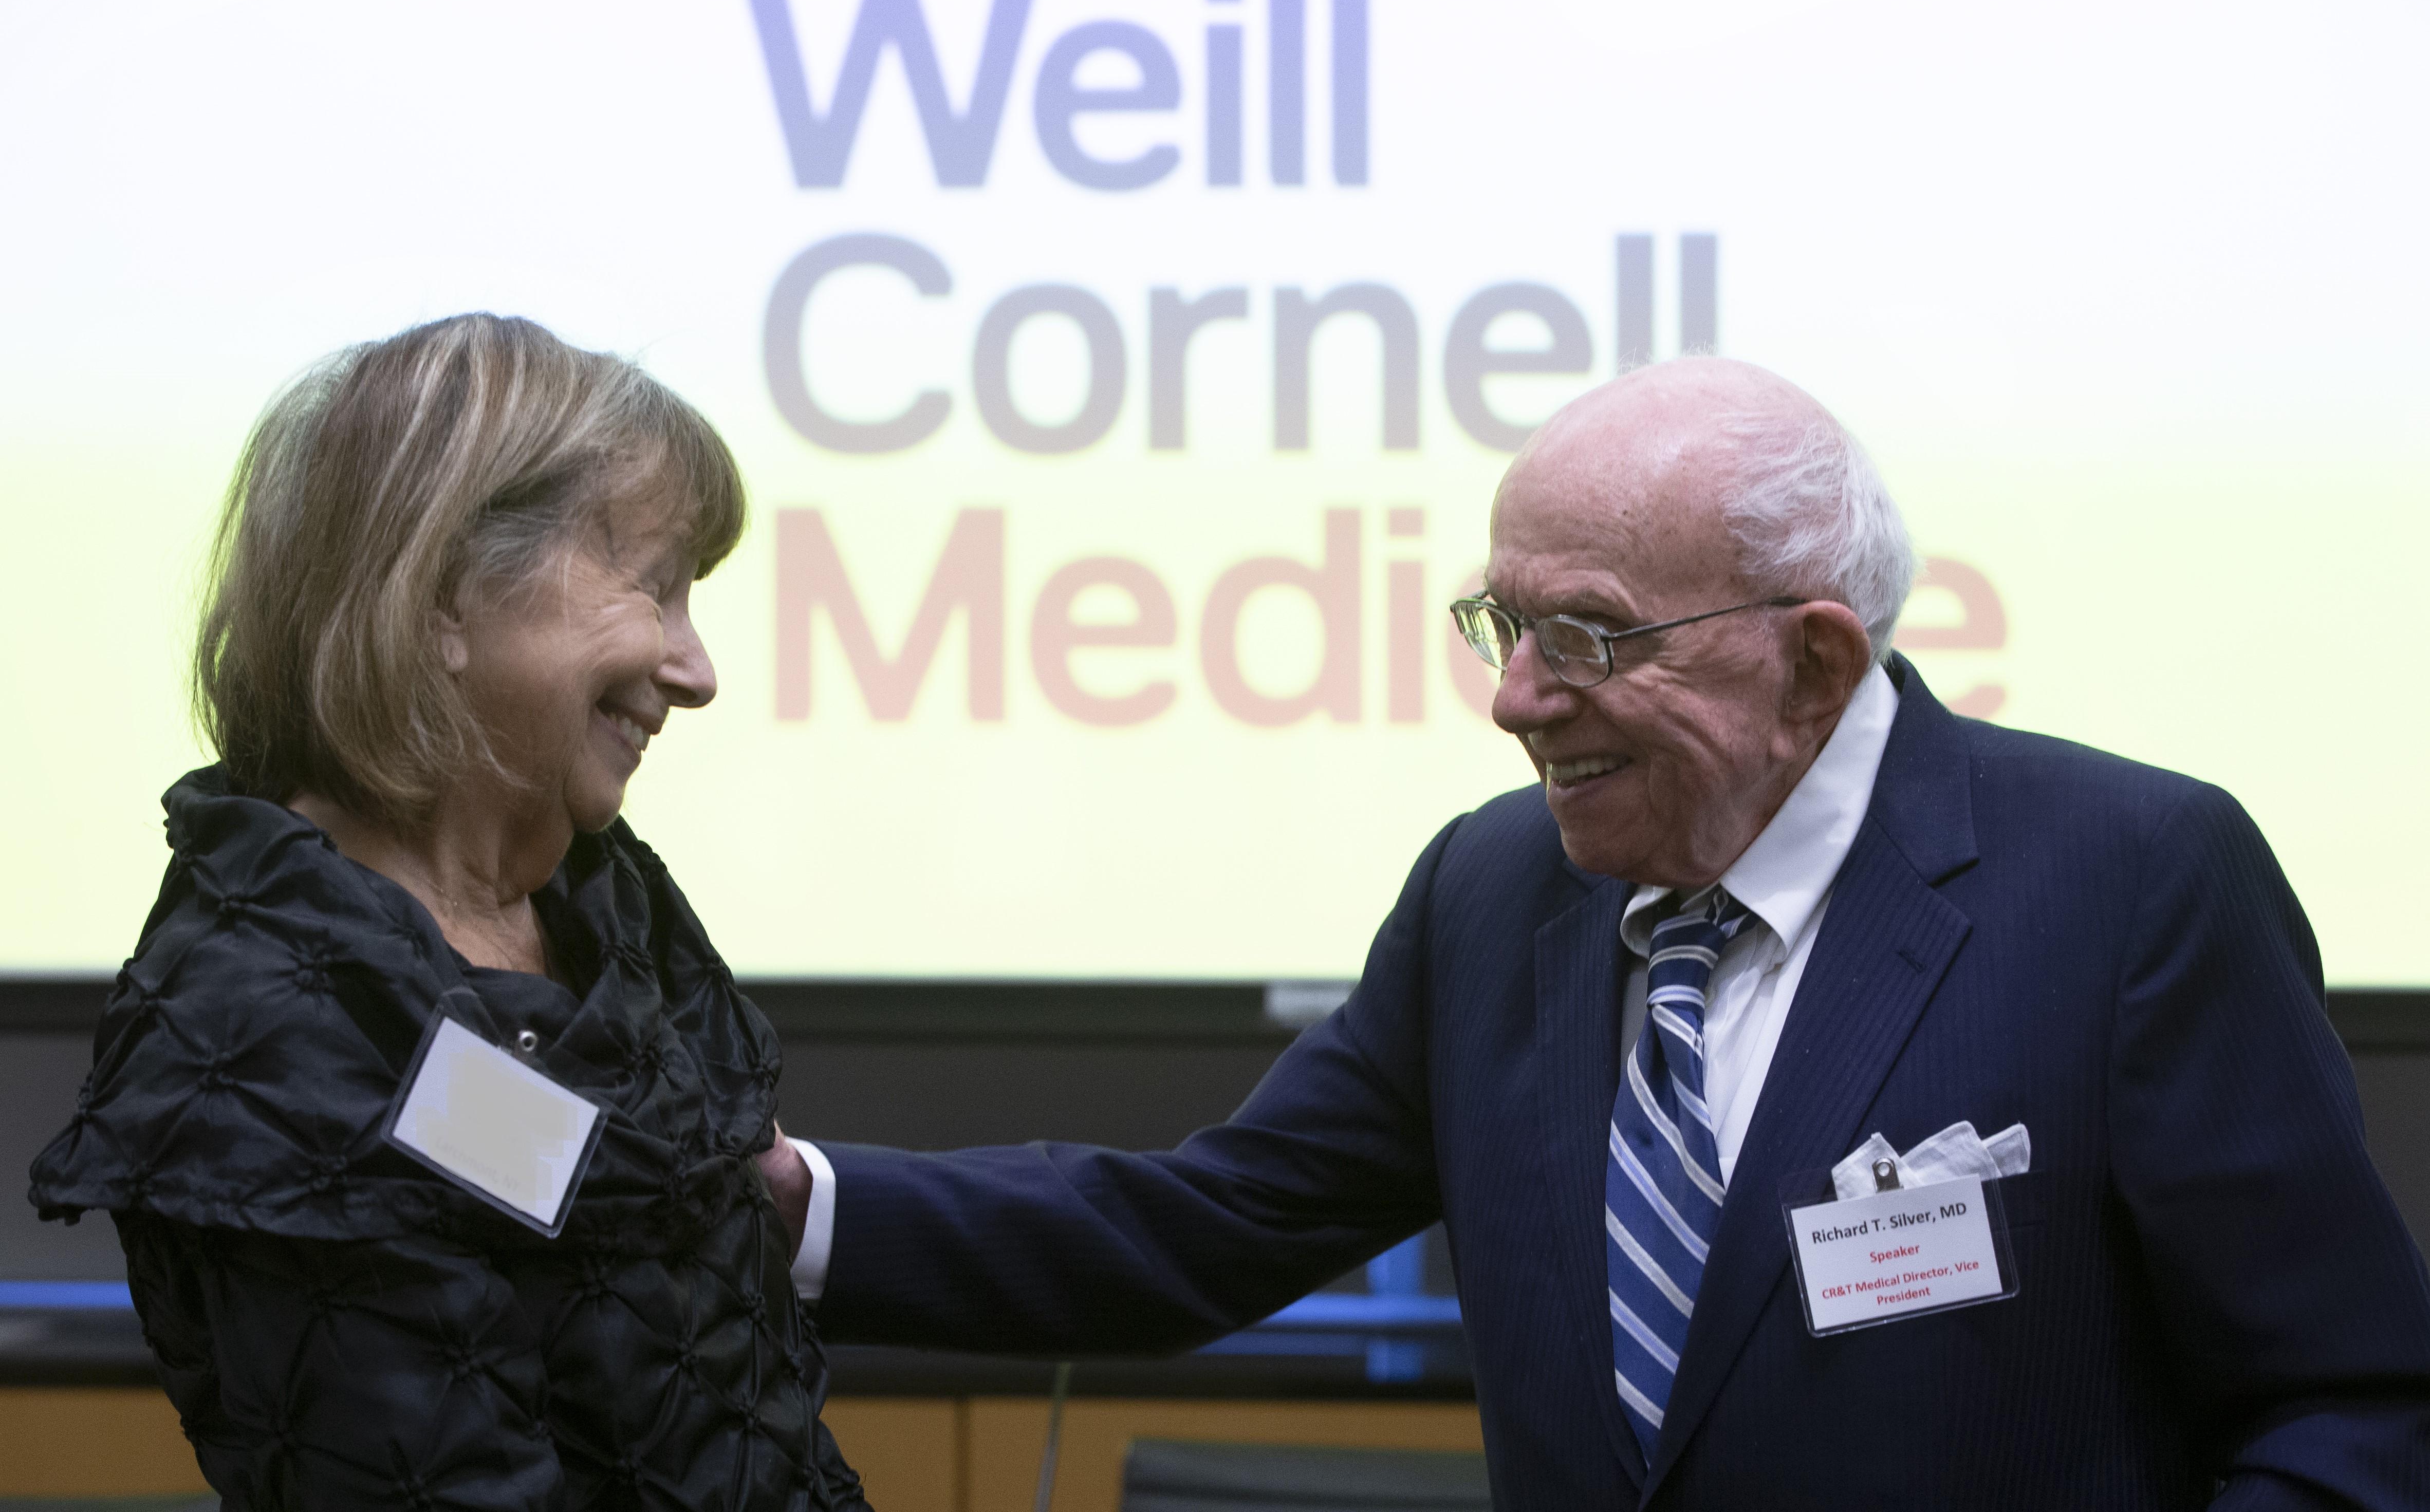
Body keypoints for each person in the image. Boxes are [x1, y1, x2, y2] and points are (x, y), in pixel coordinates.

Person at [785, 359, 2430, 1508]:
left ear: (1814, 659)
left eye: (1585, 635)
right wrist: (792, 1210)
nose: (1512, 698)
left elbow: (2348, 1406)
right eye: (1504, 624)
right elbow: (1201, 1225)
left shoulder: (2131, 879)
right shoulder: (1492, 895)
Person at [28, 314, 857, 1511]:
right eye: (657, 593)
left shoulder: (601, 907)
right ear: (442, 602)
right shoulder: (270, 1029)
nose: (696, 669)